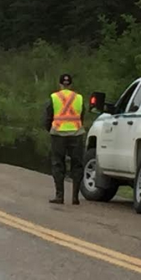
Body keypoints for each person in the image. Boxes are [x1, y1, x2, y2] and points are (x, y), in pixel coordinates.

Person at [44, 73, 85, 205]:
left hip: (58, 135)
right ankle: (75, 197)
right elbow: (81, 115)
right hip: (76, 134)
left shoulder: (54, 97)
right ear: (71, 85)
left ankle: (59, 196)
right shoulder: (79, 98)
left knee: (58, 164)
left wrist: (50, 129)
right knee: (77, 165)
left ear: (60, 84)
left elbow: (48, 117)